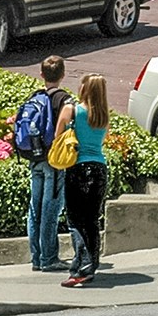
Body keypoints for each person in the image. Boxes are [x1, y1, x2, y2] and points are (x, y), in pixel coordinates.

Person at [54, 73, 110, 287]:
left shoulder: (72, 110)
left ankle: (82, 267)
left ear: (84, 89)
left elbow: (58, 137)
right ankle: (91, 265)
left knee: (76, 220)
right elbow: (101, 142)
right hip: (99, 168)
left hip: (78, 169)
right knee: (92, 220)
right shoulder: (104, 116)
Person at [28, 56, 72, 273]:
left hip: (34, 158)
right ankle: (49, 258)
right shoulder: (64, 99)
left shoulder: (35, 97)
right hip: (54, 160)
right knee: (50, 209)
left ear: (42, 75)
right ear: (62, 75)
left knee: (35, 208)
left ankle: (36, 257)